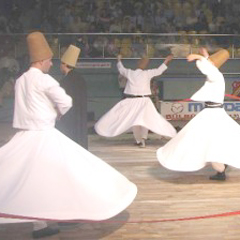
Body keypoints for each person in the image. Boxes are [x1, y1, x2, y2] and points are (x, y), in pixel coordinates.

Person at [0, 32, 137, 238]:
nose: (51, 64)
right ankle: (66, 213)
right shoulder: (45, 81)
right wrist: (55, 113)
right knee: (63, 174)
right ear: (43, 60)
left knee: (29, 180)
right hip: (44, 136)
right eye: (49, 61)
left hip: (24, 137)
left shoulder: (21, 80)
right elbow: (66, 102)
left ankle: (41, 225)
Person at [157, 47, 240, 181]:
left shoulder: (215, 74)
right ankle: (221, 167)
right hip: (214, 112)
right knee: (216, 139)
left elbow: (207, 68)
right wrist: (205, 56)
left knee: (207, 139)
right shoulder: (217, 73)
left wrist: (198, 57)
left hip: (212, 114)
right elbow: (209, 67)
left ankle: (221, 169)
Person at [95, 54, 177, 148]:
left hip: (134, 100)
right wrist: (166, 61)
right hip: (142, 100)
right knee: (144, 119)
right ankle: (142, 139)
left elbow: (121, 69)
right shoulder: (146, 73)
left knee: (135, 120)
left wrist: (118, 60)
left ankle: (140, 140)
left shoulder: (131, 73)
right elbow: (159, 70)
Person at [56, 44, 88, 149]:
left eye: (61, 64)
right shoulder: (80, 78)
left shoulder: (65, 81)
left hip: (68, 116)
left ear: (64, 64)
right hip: (80, 114)